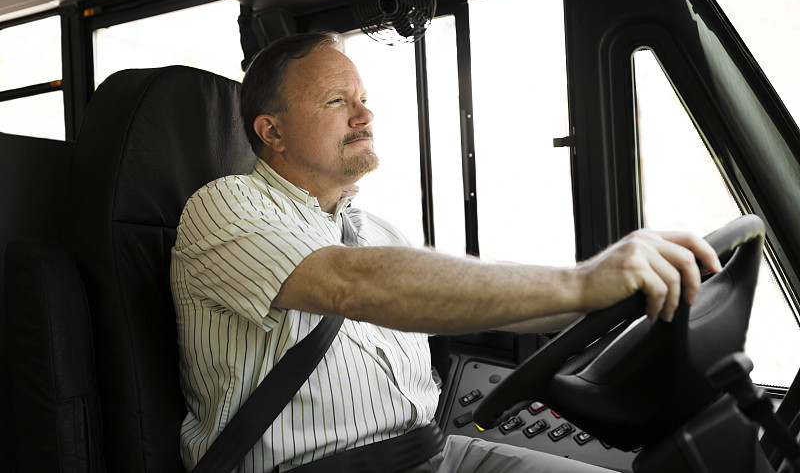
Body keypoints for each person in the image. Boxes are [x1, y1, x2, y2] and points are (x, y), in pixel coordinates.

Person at [170, 31, 721, 473]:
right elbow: (351, 284)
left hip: (438, 454)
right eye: (337, 102)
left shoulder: (376, 230)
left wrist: (617, 292)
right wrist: (582, 281)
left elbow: (479, 286)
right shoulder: (224, 206)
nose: (364, 116)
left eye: (363, 100)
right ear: (273, 132)